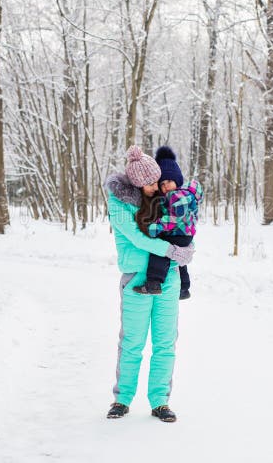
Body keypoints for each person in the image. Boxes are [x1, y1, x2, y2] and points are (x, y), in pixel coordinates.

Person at [103, 145, 195, 423]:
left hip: (168, 277)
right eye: (151, 183)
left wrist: (187, 249)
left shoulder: (161, 197)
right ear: (138, 183)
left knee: (165, 343)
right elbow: (138, 239)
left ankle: (160, 401)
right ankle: (122, 399)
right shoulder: (119, 205)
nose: (157, 187)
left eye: (157, 181)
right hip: (135, 279)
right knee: (132, 342)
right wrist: (171, 251)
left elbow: (182, 227)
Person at [133, 146, 202, 300]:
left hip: (178, 233)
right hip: (185, 234)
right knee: (179, 260)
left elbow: (173, 219)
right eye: (162, 184)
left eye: (169, 181)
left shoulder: (178, 196)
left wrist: (155, 228)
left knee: (160, 253)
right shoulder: (184, 194)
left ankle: (153, 283)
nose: (165, 186)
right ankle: (184, 288)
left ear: (177, 180)